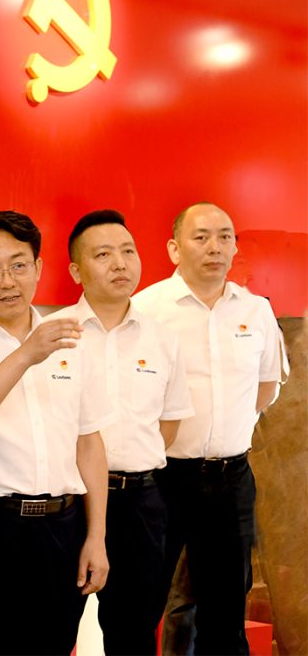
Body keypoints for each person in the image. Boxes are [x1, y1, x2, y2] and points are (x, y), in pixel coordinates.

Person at [0, 210, 112, 656]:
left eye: (18, 265)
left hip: (62, 527)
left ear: (38, 268)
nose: (8, 281)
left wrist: (96, 537)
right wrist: (26, 354)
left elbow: (89, 444)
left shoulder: (73, 344)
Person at [132, 202, 285, 655]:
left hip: (230, 479)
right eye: (201, 237)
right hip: (161, 479)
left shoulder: (255, 310)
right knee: (141, 603)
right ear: (174, 248)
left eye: (224, 236)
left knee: (225, 613)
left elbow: (266, 386)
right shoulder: (146, 309)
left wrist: (227, 430)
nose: (214, 247)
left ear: (235, 247)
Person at [60, 210, 194, 654]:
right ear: (76, 271)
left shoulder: (163, 339)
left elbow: (167, 426)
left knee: (134, 635)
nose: (120, 263)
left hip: (140, 503)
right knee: (53, 630)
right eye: (103, 254)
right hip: (69, 503)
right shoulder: (53, 335)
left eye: (128, 251)